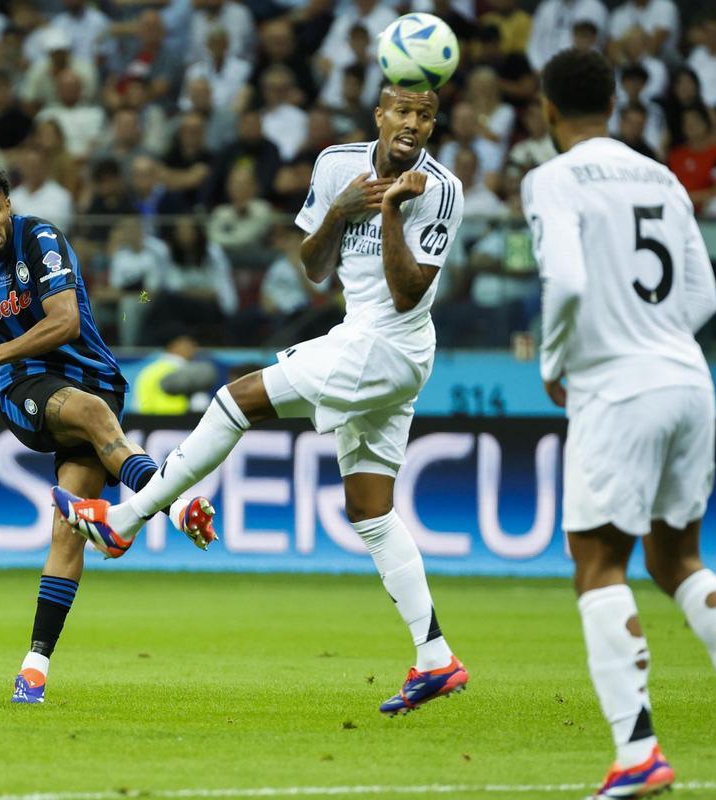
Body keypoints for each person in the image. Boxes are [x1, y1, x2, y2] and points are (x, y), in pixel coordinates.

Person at [55, 85, 469, 717]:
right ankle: (436, 657)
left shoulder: (439, 189)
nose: (412, 124)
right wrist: (342, 209)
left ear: (434, 124)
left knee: (232, 401)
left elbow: (410, 294)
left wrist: (387, 210)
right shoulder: (336, 164)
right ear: (379, 115)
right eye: (401, 112)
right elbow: (313, 266)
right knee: (371, 512)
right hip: (361, 341)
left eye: (425, 115)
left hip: (391, 346)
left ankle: (125, 521)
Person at [522, 48, 716, 799]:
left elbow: (569, 281)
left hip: (617, 387)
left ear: (547, 110)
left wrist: (555, 360)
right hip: (687, 378)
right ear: (613, 104)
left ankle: (637, 750)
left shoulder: (550, 178)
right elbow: (704, 293)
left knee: (598, 564)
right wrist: (655, 333)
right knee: (677, 560)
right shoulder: (663, 177)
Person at [0, 158, 215, 706]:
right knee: (88, 415)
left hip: (93, 376)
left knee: (69, 529)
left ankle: (32, 670)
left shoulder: (40, 237)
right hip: (25, 386)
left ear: (9, 204)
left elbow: (63, 322)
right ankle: (177, 509)